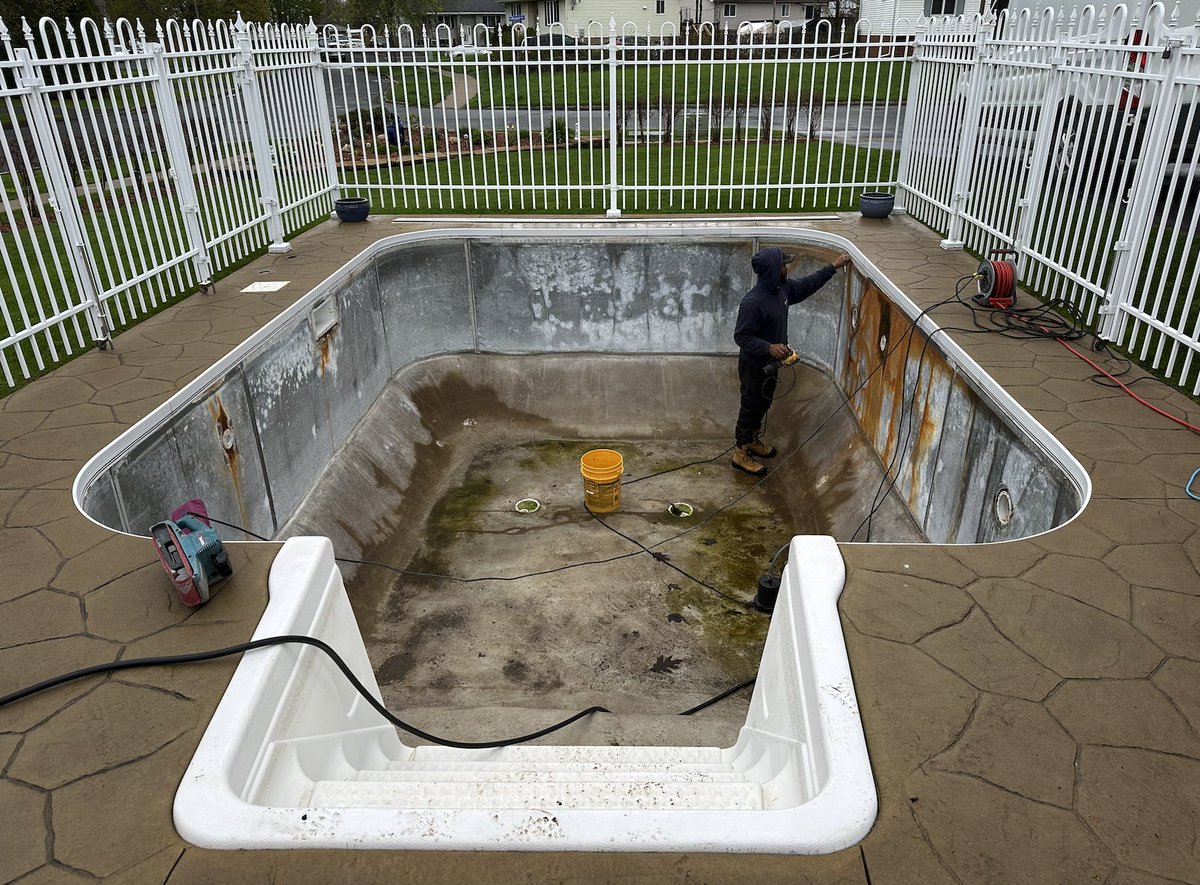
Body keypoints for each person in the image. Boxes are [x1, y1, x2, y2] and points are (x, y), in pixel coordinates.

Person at [732, 246, 852, 476]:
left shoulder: (782, 289)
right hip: (754, 367)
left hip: (770, 365)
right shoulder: (753, 302)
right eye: (783, 265)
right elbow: (741, 336)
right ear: (772, 270)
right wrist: (769, 347)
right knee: (750, 407)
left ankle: (752, 440)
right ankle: (740, 452)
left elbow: (807, 285)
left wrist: (832, 268)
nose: (787, 268)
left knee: (763, 405)